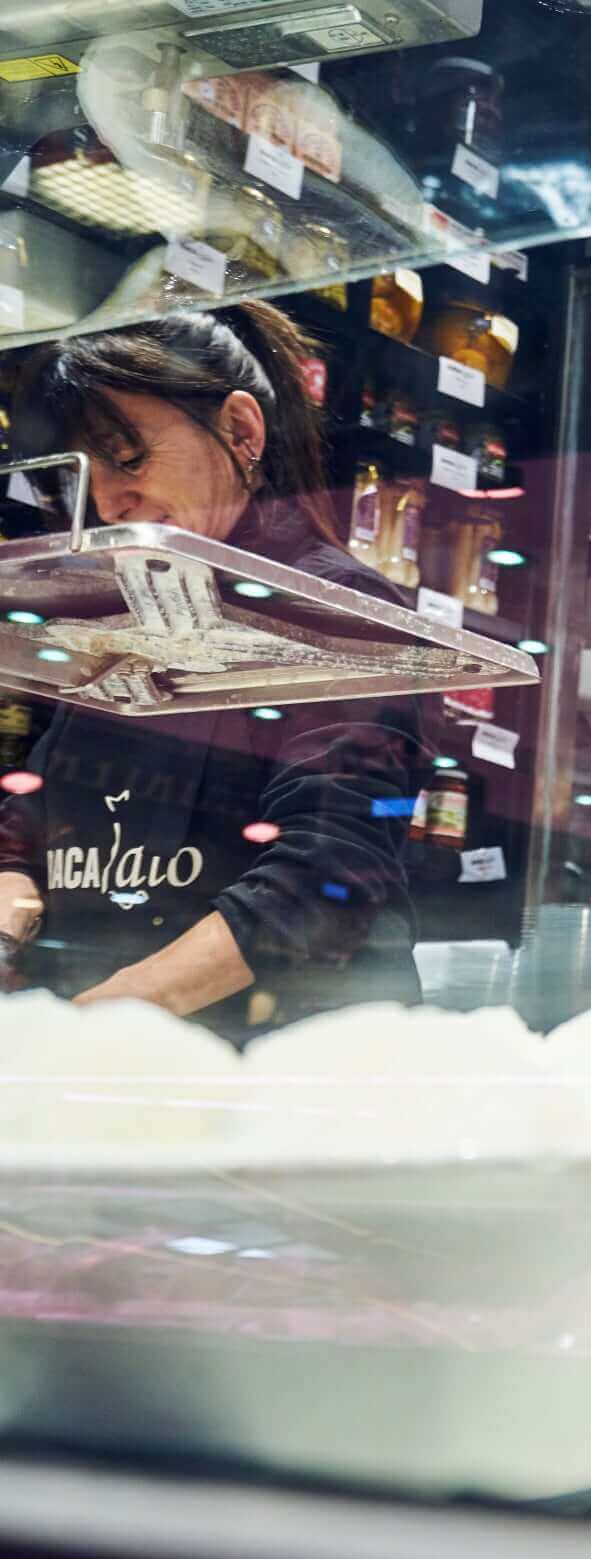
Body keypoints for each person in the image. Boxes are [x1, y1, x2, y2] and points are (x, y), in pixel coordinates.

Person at [0, 302, 421, 1036]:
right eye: (83, 476)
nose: (106, 502)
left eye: (128, 459)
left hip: (279, 1080)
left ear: (240, 431)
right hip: (110, 1067)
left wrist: (83, 1029)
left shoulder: (334, 607)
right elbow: (29, 831)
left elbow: (323, 883)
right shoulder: (119, 607)